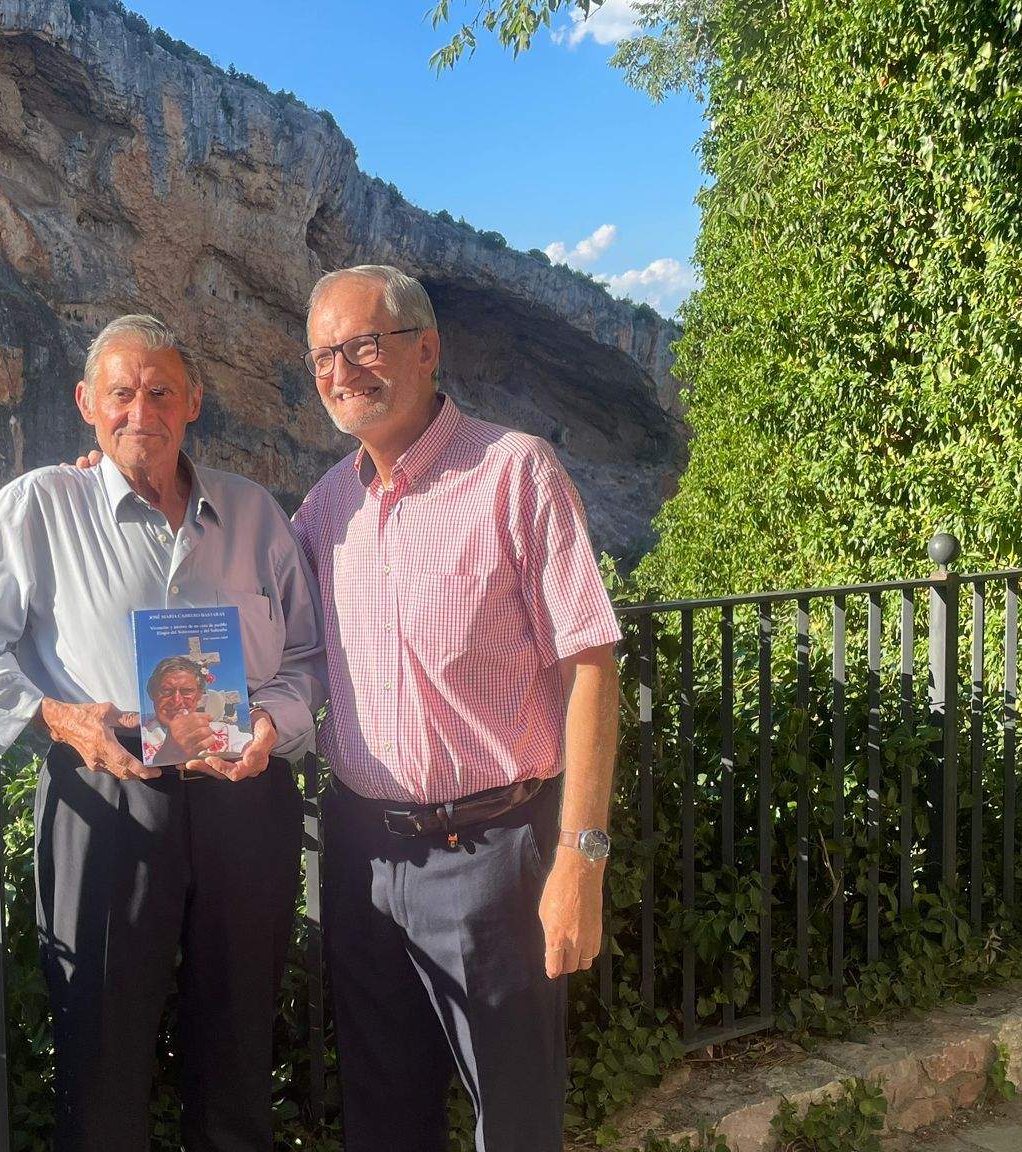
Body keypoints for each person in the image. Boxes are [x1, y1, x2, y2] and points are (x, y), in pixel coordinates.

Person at [0, 314, 325, 1152]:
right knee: (101, 1047)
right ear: (87, 405)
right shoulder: (40, 505)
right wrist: (52, 715)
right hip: (106, 799)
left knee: (243, 1039)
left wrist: (271, 724)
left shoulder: (253, 513)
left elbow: (311, 658)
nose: (143, 411)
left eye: (162, 391)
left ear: (194, 402)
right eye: (122, 393)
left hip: (244, 798)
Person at [291, 265, 622, 1151]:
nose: (343, 370)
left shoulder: (515, 473)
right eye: (324, 353)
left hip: (492, 857)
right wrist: (122, 475)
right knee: (382, 1115)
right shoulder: (325, 510)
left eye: (365, 344)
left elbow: (593, 666)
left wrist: (580, 861)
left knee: (513, 1122)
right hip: (363, 857)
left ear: (426, 349)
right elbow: (247, 611)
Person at [141, 655, 252, 764]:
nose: (177, 701)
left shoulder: (226, 733)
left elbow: (251, 748)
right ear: (152, 694)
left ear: (199, 696)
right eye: (166, 690)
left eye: (187, 691)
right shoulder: (139, 736)